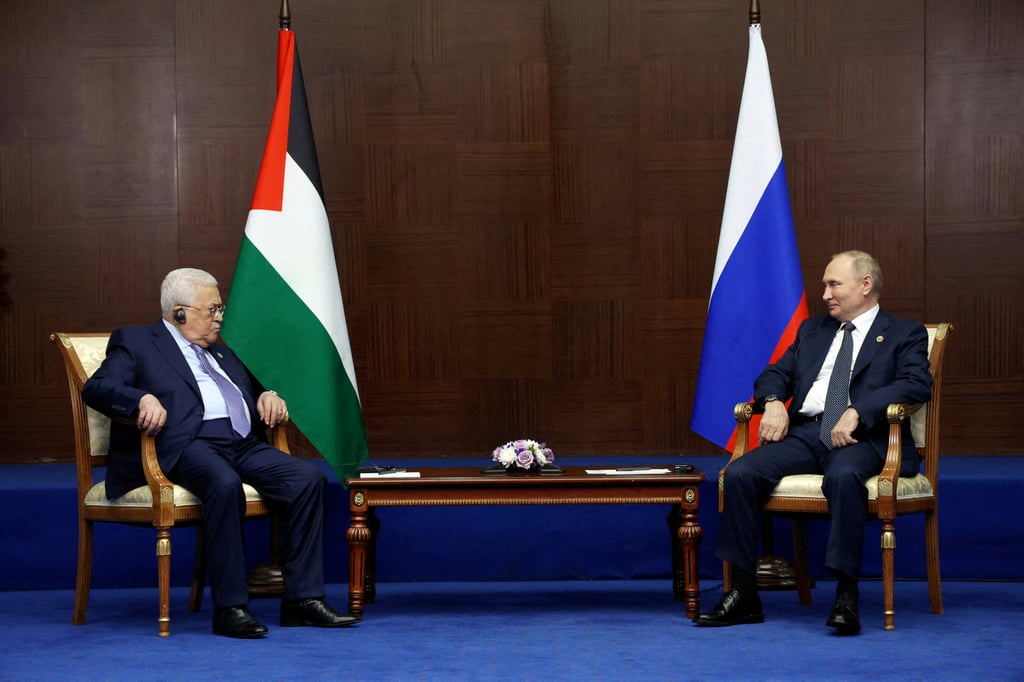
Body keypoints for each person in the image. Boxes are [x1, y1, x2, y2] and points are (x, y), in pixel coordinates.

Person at [83, 268, 358, 638]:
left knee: (307, 479)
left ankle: (302, 600)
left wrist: (267, 394)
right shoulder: (136, 342)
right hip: (186, 443)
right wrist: (140, 398)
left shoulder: (221, 352)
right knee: (223, 483)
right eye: (212, 310)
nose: (220, 317)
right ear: (179, 313)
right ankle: (230, 607)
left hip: (241, 443)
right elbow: (98, 388)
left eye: (220, 309)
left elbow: (253, 387)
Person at [695, 250, 932, 634]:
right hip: (808, 434)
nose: (825, 294)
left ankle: (845, 594)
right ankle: (743, 593)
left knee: (842, 477)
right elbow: (774, 373)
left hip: (864, 437)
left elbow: (916, 383)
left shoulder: (905, 333)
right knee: (740, 472)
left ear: (865, 284)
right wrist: (772, 403)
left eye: (834, 284)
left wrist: (858, 411)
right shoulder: (814, 331)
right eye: (825, 285)